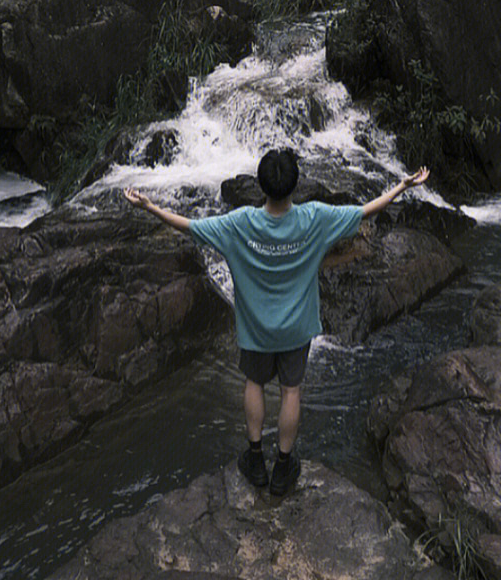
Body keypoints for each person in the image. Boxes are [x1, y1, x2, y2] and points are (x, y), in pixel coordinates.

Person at [124, 147, 430, 496]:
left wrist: (149, 207)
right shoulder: (315, 218)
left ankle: (255, 460)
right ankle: (283, 467)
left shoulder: (239, 223)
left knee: (254, 384)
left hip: (255, 329)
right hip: (297, 327)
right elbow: (365, 211)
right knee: (291, 391)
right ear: (295, 185)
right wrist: (402, 187)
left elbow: (189, 226)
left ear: (261, 185)